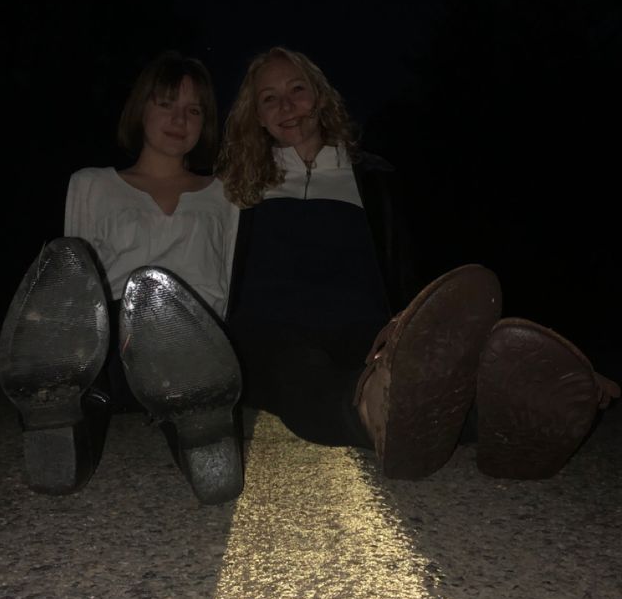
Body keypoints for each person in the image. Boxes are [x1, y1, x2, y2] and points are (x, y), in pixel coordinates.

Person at [217, 46, 619, 479]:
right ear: (256, 116)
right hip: (269, 336)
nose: (287, 106)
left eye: (298, 89)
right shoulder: (235, 184)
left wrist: (406, 322)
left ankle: (532, 410)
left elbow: (413, 267)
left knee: (428, 387)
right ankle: (371, 411)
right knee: (303, 370)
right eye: (269, 98)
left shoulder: (376, 179)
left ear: (321, 96)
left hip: (362, 331)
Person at [0, 52, 243, 504]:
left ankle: (202, 429)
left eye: (194, 110)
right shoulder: (91, 184)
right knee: (87, 361)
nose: (179, 119)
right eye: (167, 103)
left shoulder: (226, 193)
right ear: (141, 109)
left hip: (188, 340)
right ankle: (64, 419)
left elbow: (224, 283)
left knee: (184, 368)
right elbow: (77, 286)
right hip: (111, 339)